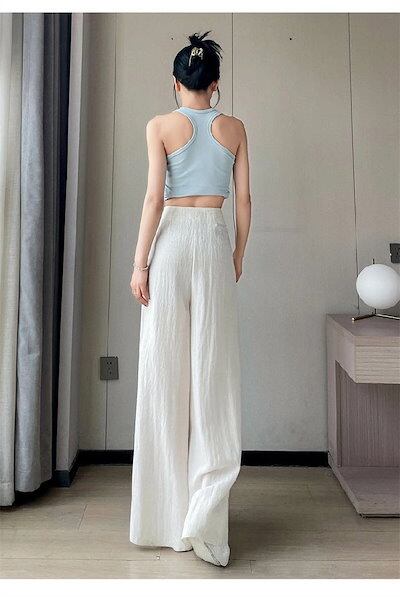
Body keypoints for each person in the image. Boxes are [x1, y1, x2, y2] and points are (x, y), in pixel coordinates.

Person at [129, 30, 251, 567]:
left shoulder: (160, 125)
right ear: (215, 84)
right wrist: (238, 253)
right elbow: (244, 200)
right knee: (213, 375)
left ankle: (163, 519)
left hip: (173, 242)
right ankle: (206, 521)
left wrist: (140, 263)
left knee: (164, 374)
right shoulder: (235, 128)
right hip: (214, 240)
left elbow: (154, 199)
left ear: (176, 83)